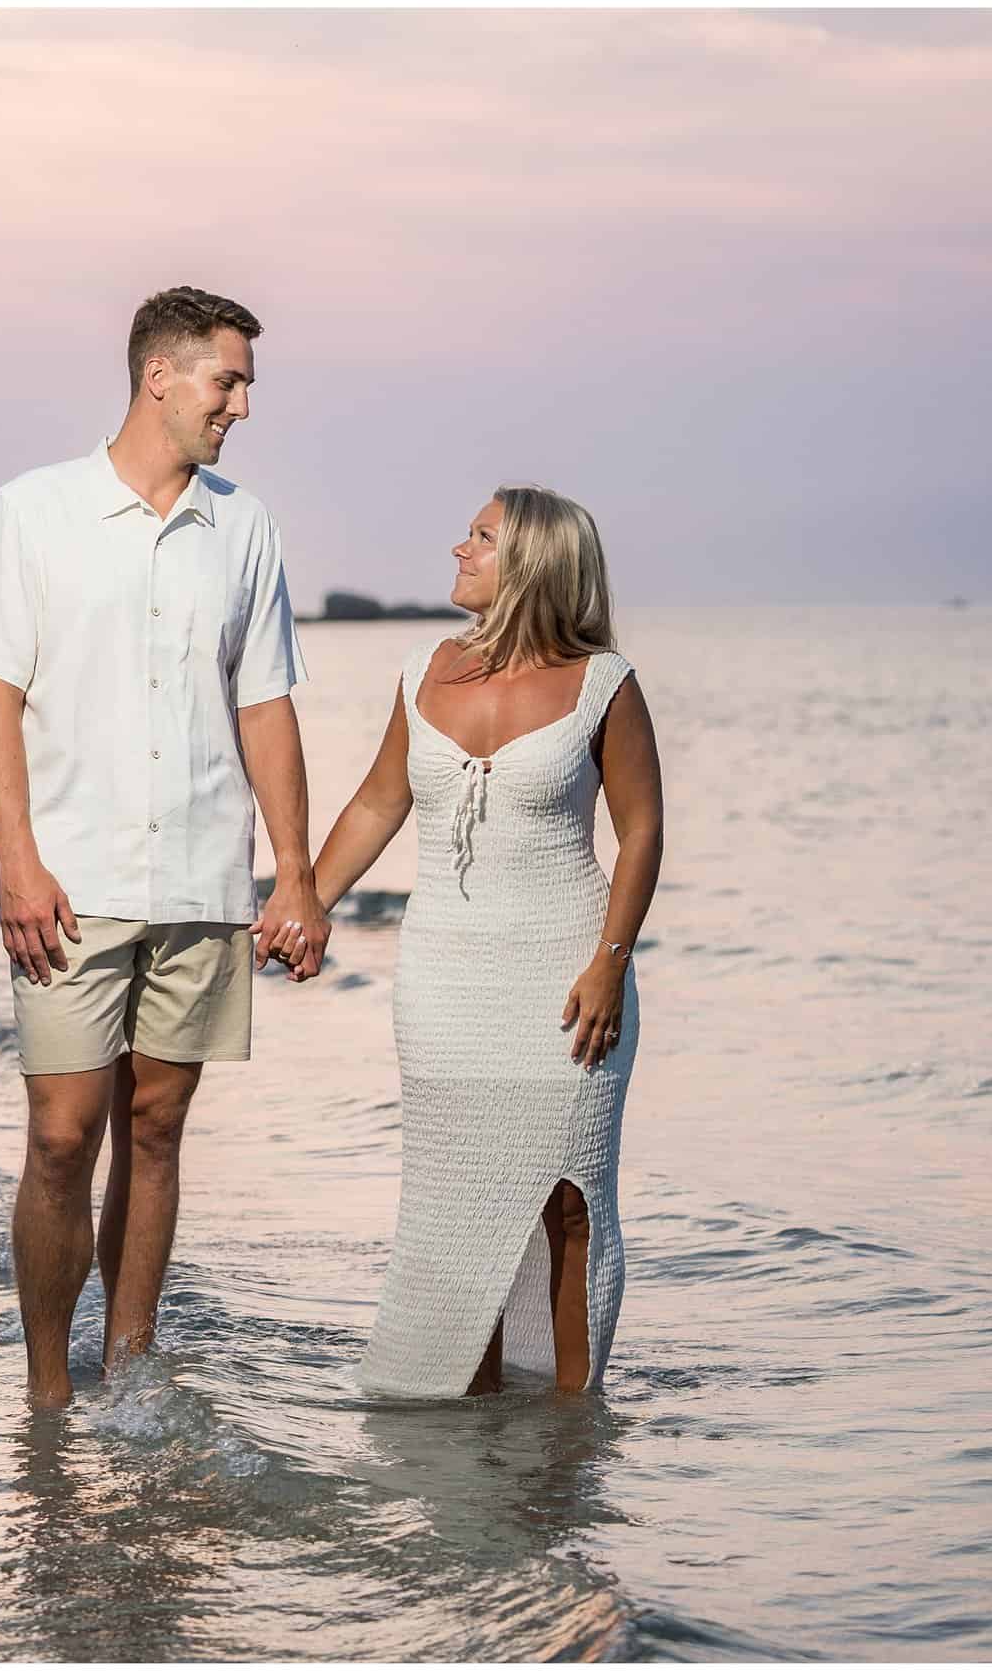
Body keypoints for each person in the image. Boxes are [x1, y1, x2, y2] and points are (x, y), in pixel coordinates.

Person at [0, 286, 329, 1410]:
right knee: (64, 1135)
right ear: (159, 375)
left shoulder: (241, 523)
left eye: (245, 382)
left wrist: (294, 873)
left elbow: (265, 705)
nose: (242, 405)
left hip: (203, 873)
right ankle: (49, 1393)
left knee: (155, 1126)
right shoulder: (33, 510)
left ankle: (131, 1370)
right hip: (69, 877)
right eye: (229, 379)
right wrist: (15, 859)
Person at [306, 486, 663, 1397]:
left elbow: (643, 830)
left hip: (568, 978)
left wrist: (609, 965)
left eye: (482, 537)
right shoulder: (426, 667)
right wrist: (305, 898)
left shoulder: (605, 685)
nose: (459, 548)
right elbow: (379, 801)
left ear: (532, 564)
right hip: (445, 983)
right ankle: (472, 1424)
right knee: (465, 1209)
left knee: (568, 1201)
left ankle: (574, 1432)